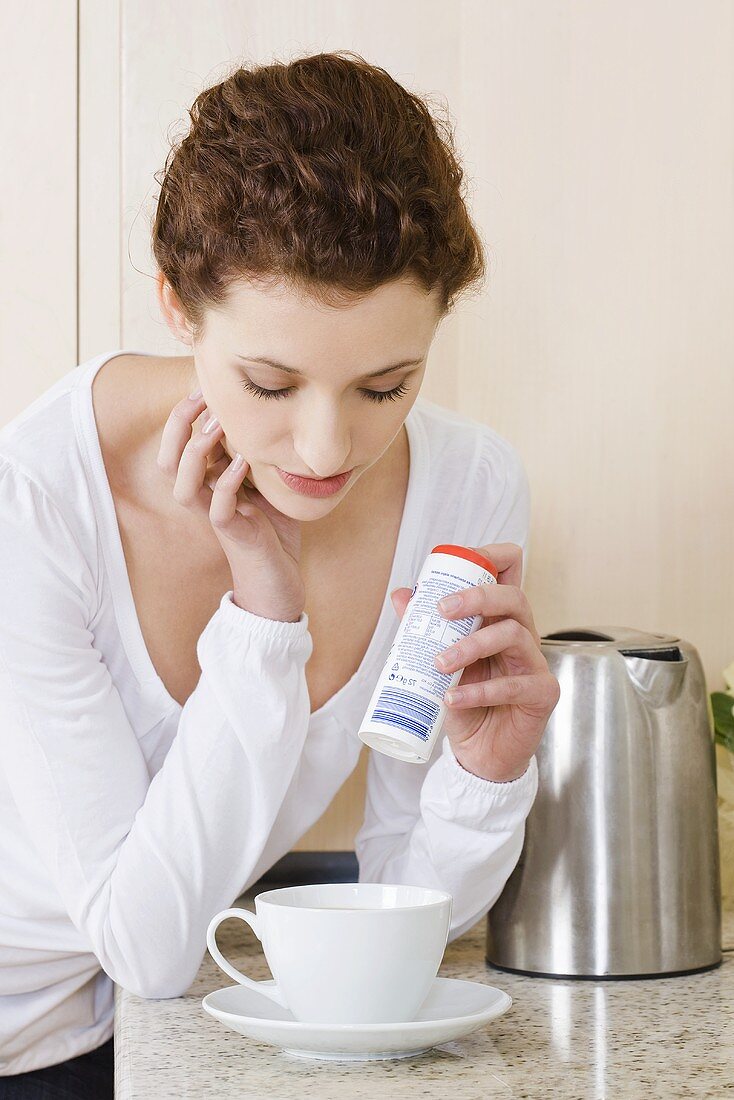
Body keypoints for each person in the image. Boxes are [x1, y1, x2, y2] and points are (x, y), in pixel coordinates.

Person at [0, 50, 560, 1092]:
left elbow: (401, 908)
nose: (321, 449)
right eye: (269, 381)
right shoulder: (34, 501)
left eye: (384, 385)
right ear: (175, 304)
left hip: (161, 1031)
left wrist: (483, 773)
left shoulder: (464, 488)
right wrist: (264, 618)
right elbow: (148, 943)